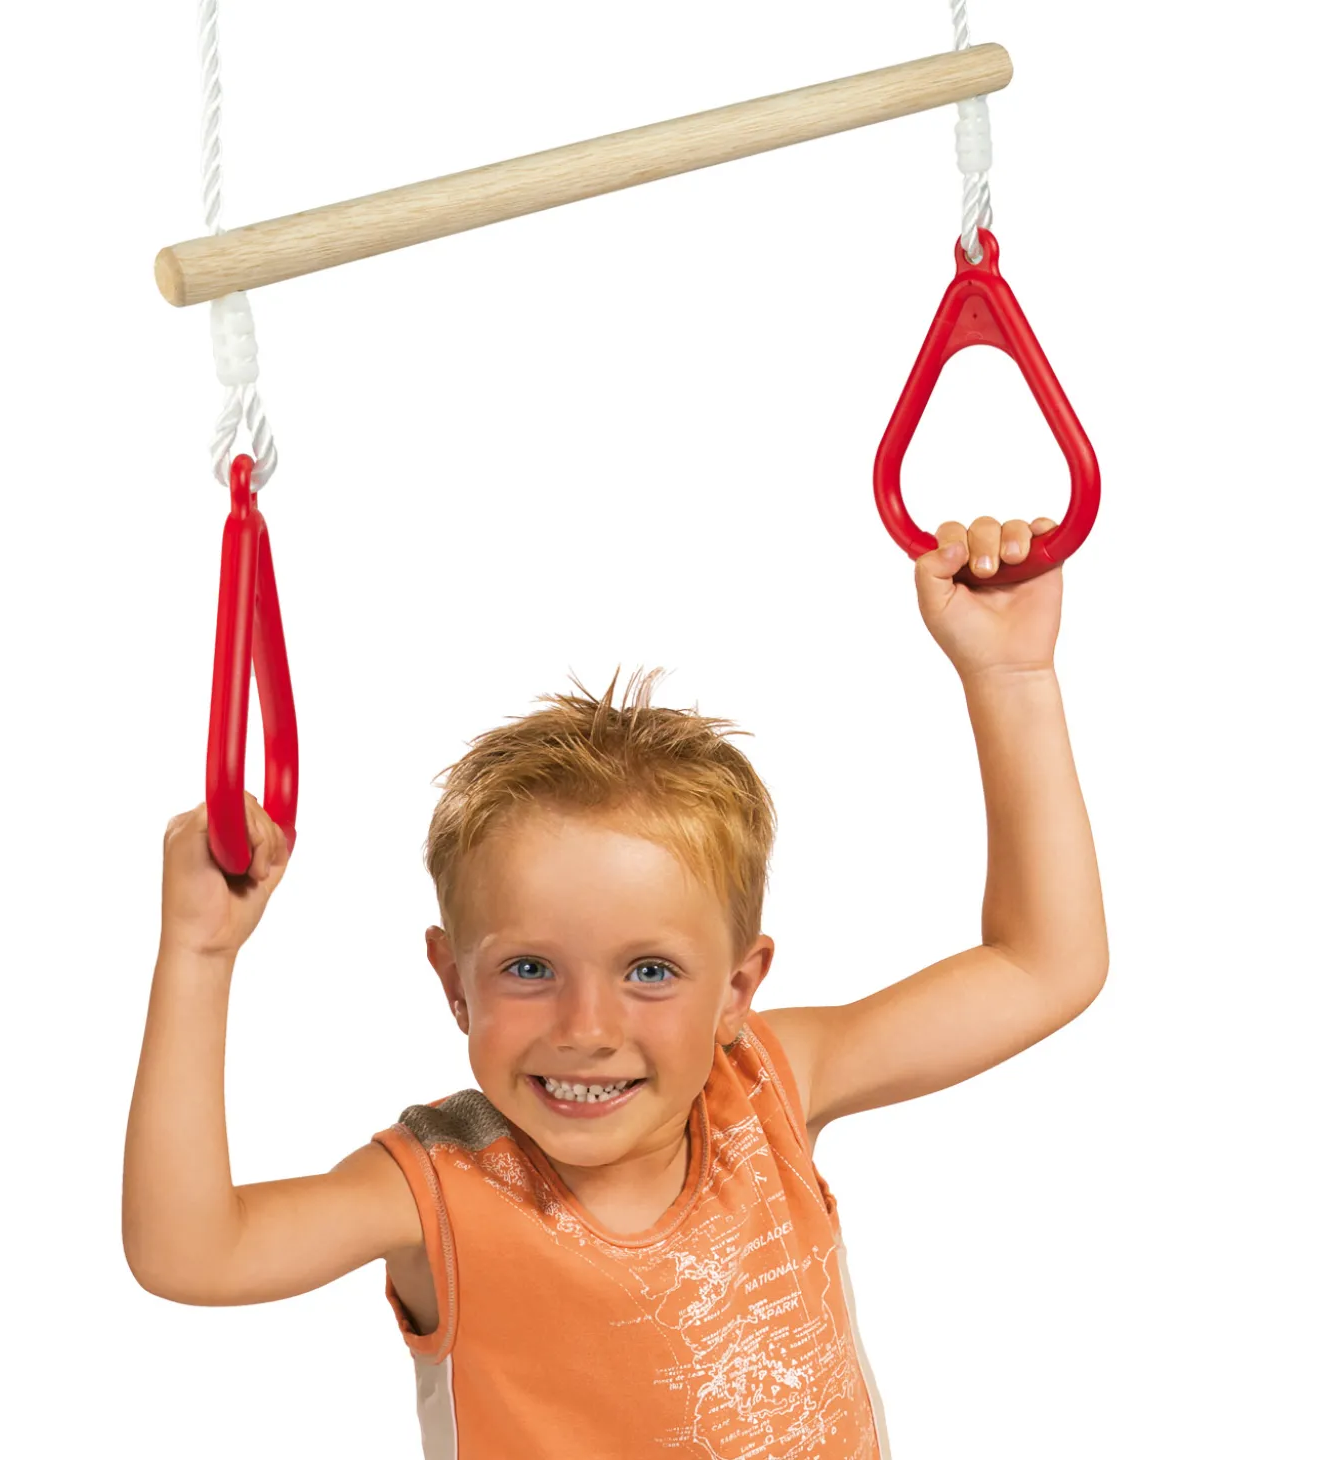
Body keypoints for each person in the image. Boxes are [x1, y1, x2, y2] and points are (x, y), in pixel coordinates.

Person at [123, 516, 1108, 1459]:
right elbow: (190, 1252)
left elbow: (1043, 964)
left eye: (648, 972)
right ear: (453, 982)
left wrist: (1011, 676)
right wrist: (199, 958)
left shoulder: (766, 1086)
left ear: (737, 988)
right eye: (528, 969)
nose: (586, 1027)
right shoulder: (438, 1189)